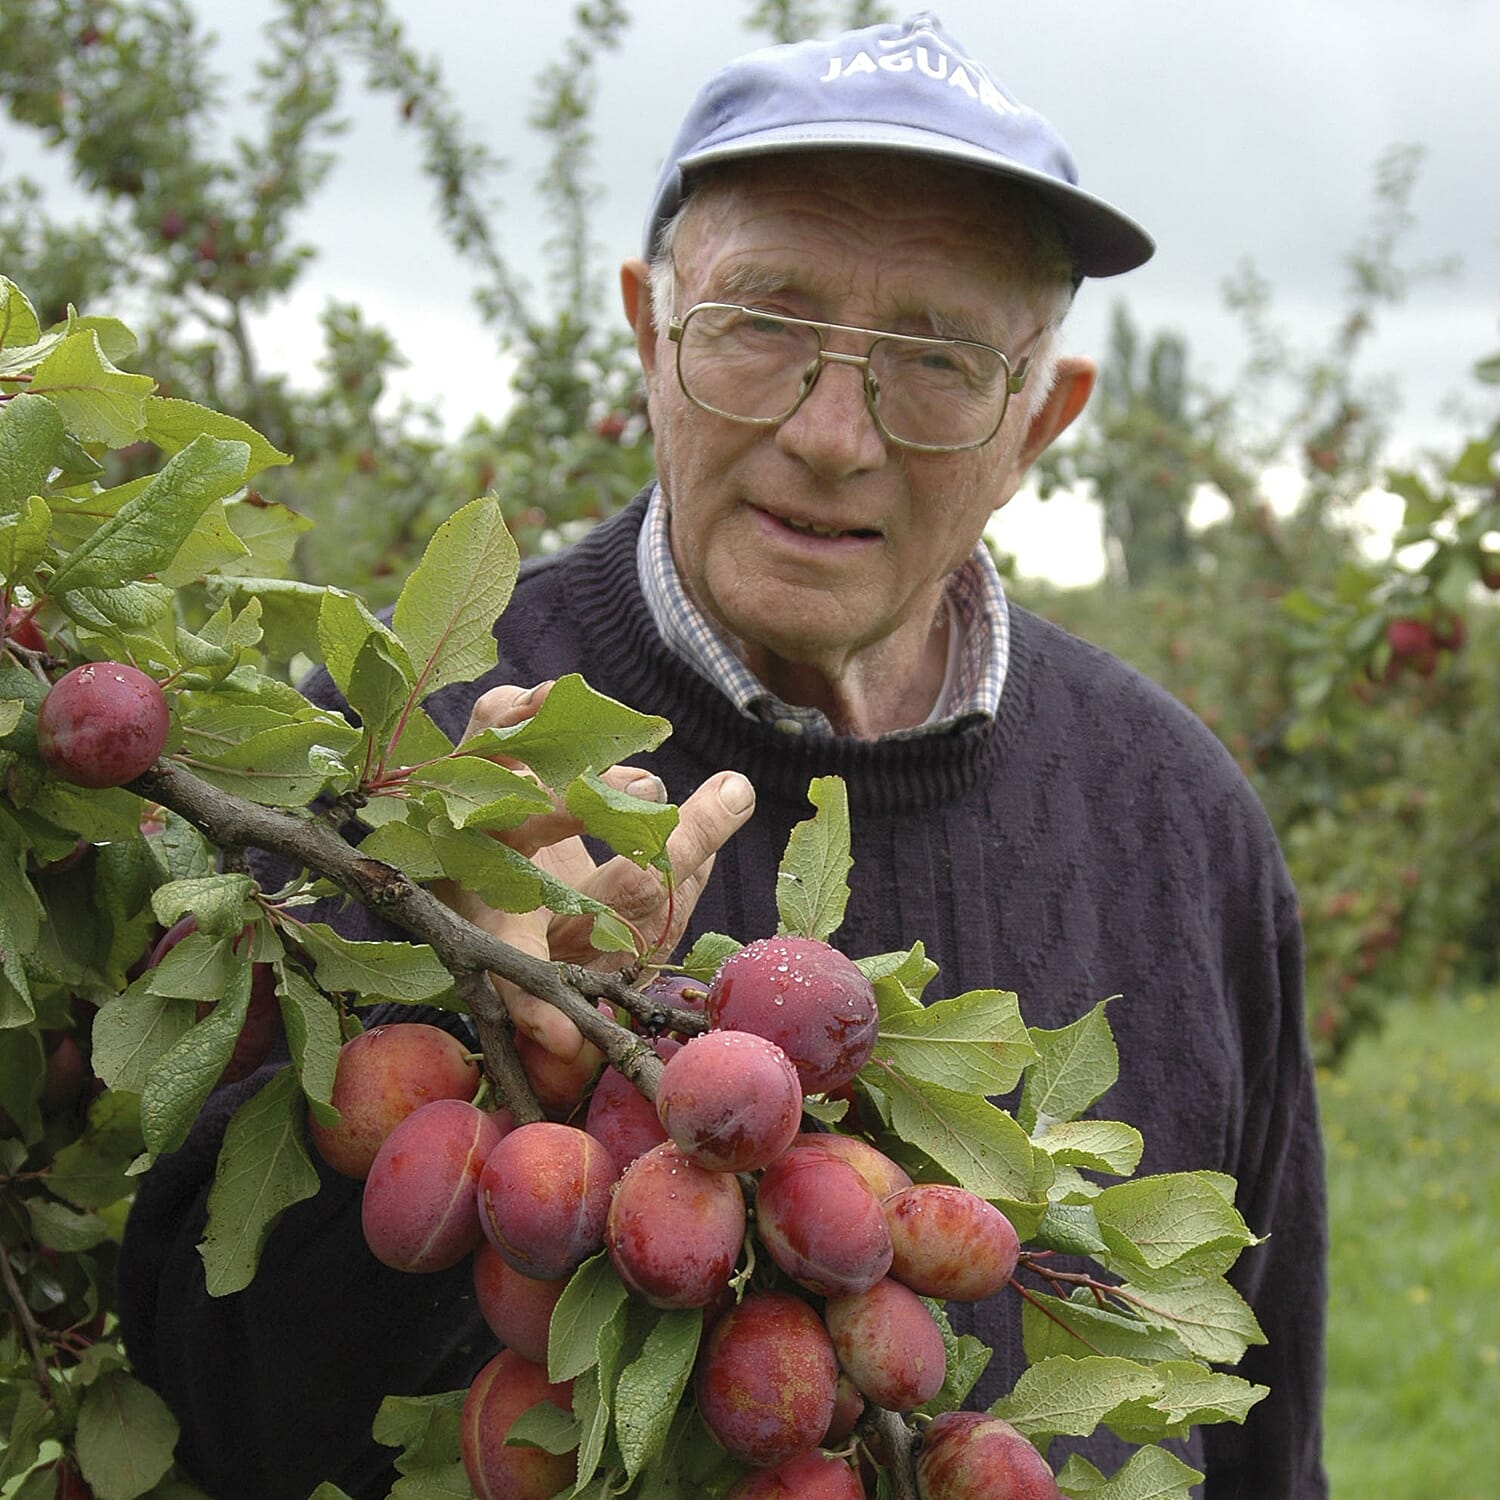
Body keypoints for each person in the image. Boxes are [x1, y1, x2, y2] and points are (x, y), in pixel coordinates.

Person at [118, 12, 1327, 1499]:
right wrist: (503, 1055)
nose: (832, 432)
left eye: (939, 357)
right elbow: (216, 1399)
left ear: (1041, 419)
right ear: (647, 331)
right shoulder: (417, 764)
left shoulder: (1181, 820)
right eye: (761, 322)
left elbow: (1261, 1434)